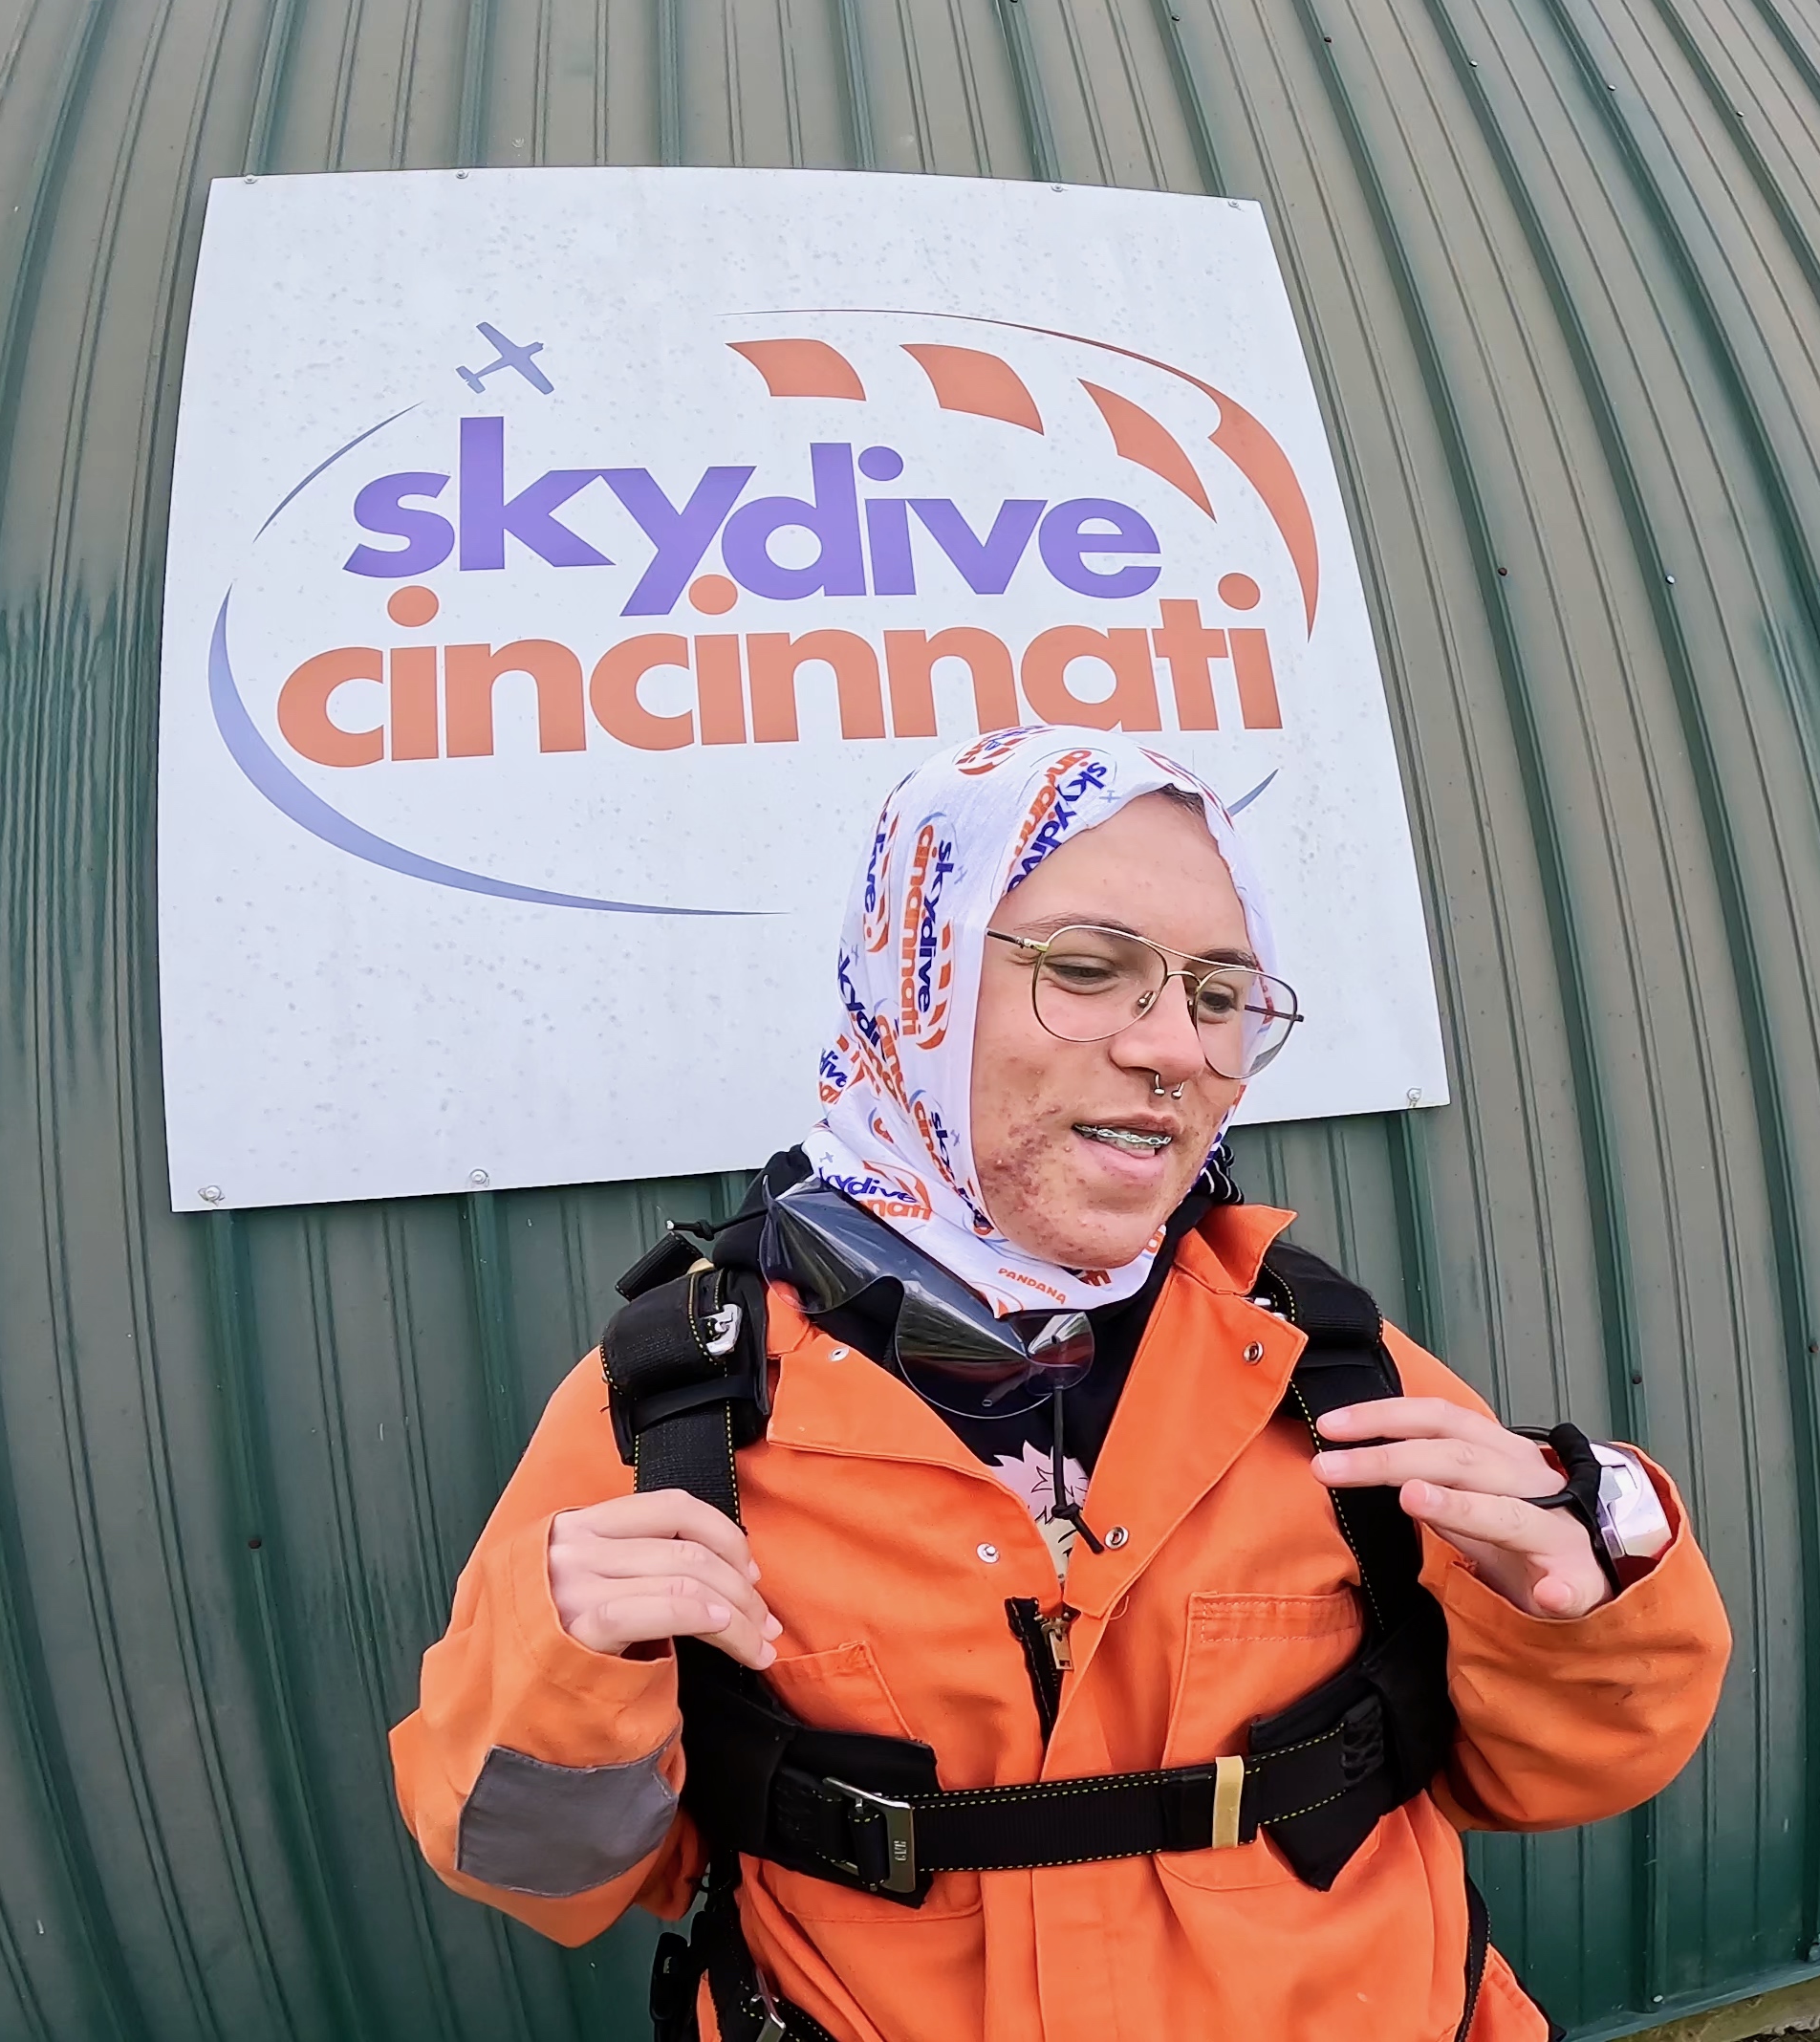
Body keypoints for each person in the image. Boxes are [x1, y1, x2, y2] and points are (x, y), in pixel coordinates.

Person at [390, 728, 1731, 2041]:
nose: (1176, 1049)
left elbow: (1557, 1776)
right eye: (1090, 971)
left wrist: (1590, 1598)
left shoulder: (1324, 1365)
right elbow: (545, 1873)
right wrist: (565, 1670)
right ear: (916, 985)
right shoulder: (683, 1407)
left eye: (1219, 997)